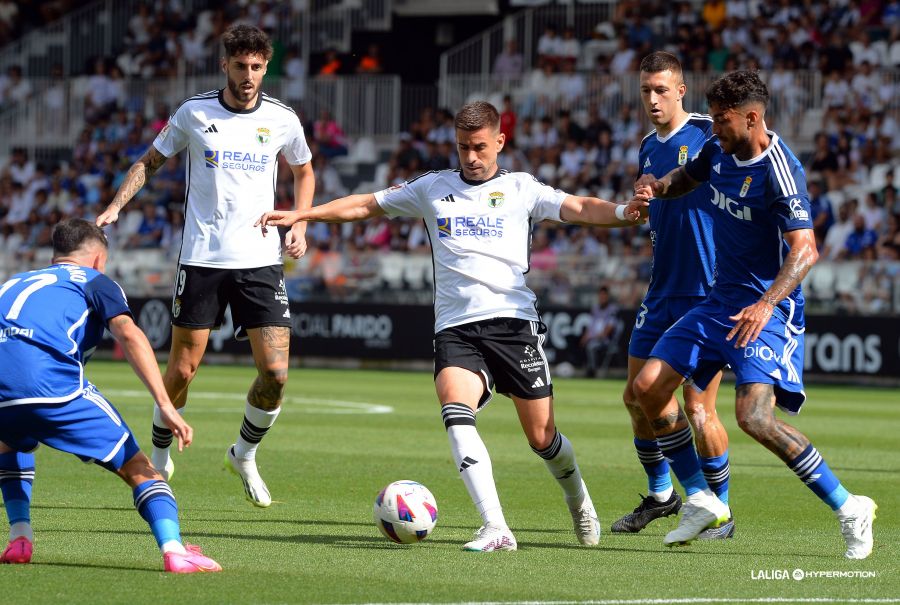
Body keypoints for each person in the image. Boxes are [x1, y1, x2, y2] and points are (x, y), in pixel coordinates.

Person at [256, 101, 646, 552]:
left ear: (500, 142)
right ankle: (496, 526)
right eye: (463, 147)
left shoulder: (522, 188)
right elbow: (367, 205)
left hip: (514, 325)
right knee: (454, 408)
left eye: (480, 147)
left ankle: (578, 498)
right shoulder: (432, 187)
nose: (471, 157)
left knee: (542, 438)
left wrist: (622, 212)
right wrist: (304, 214)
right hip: (456, 328)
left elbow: (579, 206)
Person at [631, 71, 876, 558]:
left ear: (752, 117)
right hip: (719, 301)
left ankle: (851, 509)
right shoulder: (719, 149)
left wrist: (766, 304)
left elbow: (805, 251)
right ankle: (701, 499)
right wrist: (657, 186)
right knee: (646, 389)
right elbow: (688, 177)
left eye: (721, 120)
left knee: (754, 418)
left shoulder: (779, 170)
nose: (713, 128)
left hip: (767, 310)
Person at [96, 24, 315, 508]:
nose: (249, 75)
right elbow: (149, 161)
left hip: (261, 260)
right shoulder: (194, 113)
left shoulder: (282, 118)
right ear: (226, 65)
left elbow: (304, 169)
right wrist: (116, 206)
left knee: (276, 374)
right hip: (202, 257)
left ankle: (244, 453)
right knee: (182, 370)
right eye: (241, 66)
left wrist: (300, 222)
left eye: (258, 66)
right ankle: (157, 456)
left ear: (265, 67)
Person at [0, 219, 221, 573]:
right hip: (52, 388)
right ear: (99, 258)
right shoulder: (95, 281)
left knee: (9, 442)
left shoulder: (13, 281)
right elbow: (130, 335)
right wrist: (166, 404)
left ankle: (20, 538)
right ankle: (175, 550)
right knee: (138, 467)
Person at [612, 52, 733, 538]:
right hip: (661, 288)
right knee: (635, 399)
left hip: (707, 291)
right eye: (645, 90)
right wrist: (644, 199)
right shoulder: (646, 145)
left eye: (662, 90)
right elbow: (660, 197)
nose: (653, 99)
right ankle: (663, 496)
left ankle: (720, 510)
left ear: (681, 90)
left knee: (699, 407)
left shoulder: (709, 133)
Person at [579, 285, 621, 378]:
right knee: (580, 342)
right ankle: (584, 368)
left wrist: (595, 336)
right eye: (600, 295)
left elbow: (609, 328)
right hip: (593, 337)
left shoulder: (613, 309)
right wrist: (586, 337)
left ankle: (592, 371)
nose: (602, 298)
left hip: (605, 340)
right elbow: (591, 325)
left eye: (604, 295)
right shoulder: (595, 308)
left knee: (591, 346)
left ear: (607, 296)